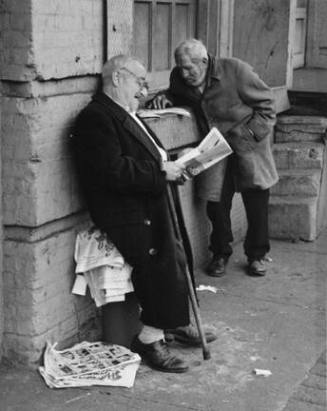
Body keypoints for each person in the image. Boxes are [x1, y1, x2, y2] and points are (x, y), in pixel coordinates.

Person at [72, 54, 216, 374]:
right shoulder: (97, 117)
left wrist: (174, 166)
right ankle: (150, 339)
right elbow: (112, 171)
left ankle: (174, 323)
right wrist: (161, 171)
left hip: (148, 197)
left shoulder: (126, 112)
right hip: (124, 209)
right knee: (160, 258)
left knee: (181, 254)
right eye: (140, 81)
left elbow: (149, 157)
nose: (144, 89)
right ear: (118, 78)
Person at [149, 39, 279, 277]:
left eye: (189, 68)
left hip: (248, 143)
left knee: (256, 202)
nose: (184, 73)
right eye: (180, 67)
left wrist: (247, 136)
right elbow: (177, 95)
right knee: (216, 204)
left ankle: (257, 255)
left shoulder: (236, 70)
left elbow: (269, 105)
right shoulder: (179, 78)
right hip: (214, 148)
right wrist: (164, 97)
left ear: (205, 61)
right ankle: (220, 254)